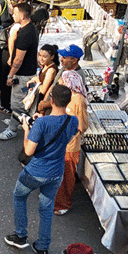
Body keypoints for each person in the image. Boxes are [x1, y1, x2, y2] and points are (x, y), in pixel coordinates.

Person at [5, 85, 79, 254]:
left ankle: (21, 236)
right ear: (68, 101)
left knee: (19, 197)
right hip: (56, 173)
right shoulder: (73, 121)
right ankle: (43, 247)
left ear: (51, 100)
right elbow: (63, 136)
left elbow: (29, 151)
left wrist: (27, 130)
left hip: (35, 172)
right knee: (46, 208)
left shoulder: (42, 123)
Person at [0, 2, 39, 137]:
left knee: (17, 103)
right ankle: (17, 121)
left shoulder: (25, 34)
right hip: (29, 74)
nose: (12, 15)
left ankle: (12, 129)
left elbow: (18, 60)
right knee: (23, 100)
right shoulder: (30, 29)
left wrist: (10, 75)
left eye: (15, 13)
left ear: (22, 15)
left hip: (22, 77)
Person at [53, 70, 88, 216]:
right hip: (59, 142)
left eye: (63, 80)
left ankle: (63, 203)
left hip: (70, 145)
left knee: (66, 175)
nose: (60, 81)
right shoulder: (65, 98)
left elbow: (82, 125)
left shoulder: (78, 101)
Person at [0, 0, 30, 101]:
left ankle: (4, 85)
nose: (24, 2)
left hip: (11, 41)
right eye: (22, 0)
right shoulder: (3, 5)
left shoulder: (21, 9)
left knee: (6, 64)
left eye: (26, 0)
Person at [37, 44, 85, 116]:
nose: (61, 59)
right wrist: (44, 101)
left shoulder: (75, 78)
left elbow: (67, 100)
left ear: (74, 60)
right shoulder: (64, 68)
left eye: (64, 57)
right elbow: (53, 85)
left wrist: (46, 104)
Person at [22, 44, 59, 117]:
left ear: (52, 57)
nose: (41, 59)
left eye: (44, 56)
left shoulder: (51, 70)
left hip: (42, 100)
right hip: (37, 95)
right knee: (22, 90)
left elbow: (42, 90)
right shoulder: (45, 65)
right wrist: (31, 83)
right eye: (40, 55)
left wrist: (36, 79)